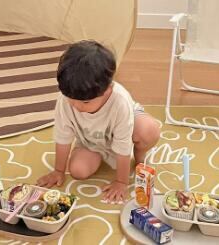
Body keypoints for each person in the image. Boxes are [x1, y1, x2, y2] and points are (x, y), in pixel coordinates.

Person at [37, 40, 160, 203]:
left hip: (126, 132)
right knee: (78, 171)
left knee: (148, 130)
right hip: (91, 141)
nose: (76, 106)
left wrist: (121, 182)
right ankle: (99, 155)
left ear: (108, 90)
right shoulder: (67, 99)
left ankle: (139, 155)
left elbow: (123, 145)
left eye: (85, 102)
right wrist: (58, 170)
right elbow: (63, 136)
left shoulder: (120, 102)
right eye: (70, 99)